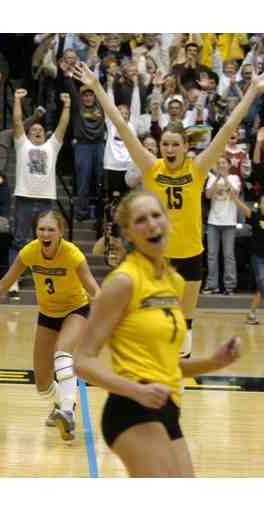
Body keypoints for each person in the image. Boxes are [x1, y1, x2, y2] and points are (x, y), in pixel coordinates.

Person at [73, 61, 264, 358]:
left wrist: (252, 91)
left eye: (175, 145)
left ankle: (177, 374)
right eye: (166, 145)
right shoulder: (152, 167)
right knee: (157, 324)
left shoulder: (197, 168)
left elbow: (228, 128)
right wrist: (97, 87)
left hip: (191, 255)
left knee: (185, 326)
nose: (170, 150)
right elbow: (122, 126)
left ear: (185, 146)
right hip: (158, 258)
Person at [74, 190, 242, 476]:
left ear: (168, 220)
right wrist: (137, 391)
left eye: (156, 215)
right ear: (128, 233)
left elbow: (165, 364)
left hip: (167, 407)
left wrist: (213, 362)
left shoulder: (173, 281)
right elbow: (82, 361)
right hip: (131, 408)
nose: (152, 224)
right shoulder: (123, 282)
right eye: (141, 220)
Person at [0, 209, 99, 441]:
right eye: (41, 229)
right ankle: (62, 404)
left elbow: (95, 291)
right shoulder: (29, 252)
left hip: (75, 310)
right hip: (48, 314)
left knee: (62, 355)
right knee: (42, 385)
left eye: (51, 230)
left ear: (60, 233)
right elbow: (1, 286)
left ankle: (67, 412)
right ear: (36, 231)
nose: (45, 234)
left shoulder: (73, 255)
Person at [8, 88, 71, 297]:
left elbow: (62, 127)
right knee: (20, 240)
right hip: (24, 199)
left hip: (45, 201)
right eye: (33, 129)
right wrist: (17, 100)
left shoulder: (52, 147)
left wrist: (67, 105)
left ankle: (46, 278)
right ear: (27, 134)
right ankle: (13, 281)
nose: (37, 131)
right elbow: (17, 122)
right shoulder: (22, 145)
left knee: (48, 241)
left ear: (45, 134)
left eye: (40, 129)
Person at [203, 156, 240, 295]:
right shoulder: (212, 178)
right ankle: (212, 285)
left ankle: (230, 286)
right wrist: (217, 179)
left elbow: (235, 193)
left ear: (229, 165)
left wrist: (225, 178)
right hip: (213, 221)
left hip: (229, 222)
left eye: (224, 163)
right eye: (218, 163)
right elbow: (208, 195)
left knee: (228, 255)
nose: (221, 165)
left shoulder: (234, 178)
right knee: (212, 255)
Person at [233, 193, 264, 324]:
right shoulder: (256, 217)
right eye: (263, 202)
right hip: (258, 257)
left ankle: (251, 314)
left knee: (262, 287)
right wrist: (234, 198)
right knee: (262, 282)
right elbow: (243, 208)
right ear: (260, 205)